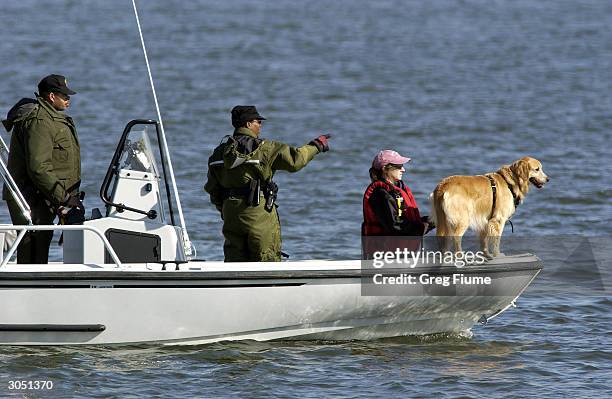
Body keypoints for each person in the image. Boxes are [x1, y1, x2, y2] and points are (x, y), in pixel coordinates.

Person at [204, 105, 330, 262]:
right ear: (248, 124)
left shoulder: (219, 152)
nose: (260, 126)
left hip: (231, 215)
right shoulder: (265, 148)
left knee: (235, 263)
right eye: (258, 122)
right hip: (258, 214)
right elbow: (295, 160)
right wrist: (316, 146)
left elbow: (212, 188)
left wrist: (226, 209)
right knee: (266, 261)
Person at [2, 74, 84, 264]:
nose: (68, 99)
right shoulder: (40, 121)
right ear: (51, 96)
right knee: (33, 251)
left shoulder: (52, 118)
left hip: (46, 195)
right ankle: (29, 289)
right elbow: (39, 167)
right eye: (64, 95)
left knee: (40, 248)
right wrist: (62, 197)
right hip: (32, 196)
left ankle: (37, 286)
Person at [362, 150, 434, 257]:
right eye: (399, 166)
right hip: (384, 256)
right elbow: (396, 226)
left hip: (399, 254)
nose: (403, 170)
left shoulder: (395, 191)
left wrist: (434, 220)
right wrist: (425, 226)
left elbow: (404, 222)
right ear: (385, 169)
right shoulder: (380, 194)